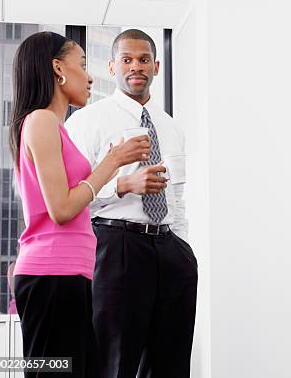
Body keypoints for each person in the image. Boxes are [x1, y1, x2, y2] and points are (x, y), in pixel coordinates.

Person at [9, 31, 151, 377]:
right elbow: (61, 208)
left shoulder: (55, 127)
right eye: (83, 65)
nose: (89, 76)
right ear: (58, 69)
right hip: (52, 275)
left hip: (70, 275)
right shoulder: (41, 120)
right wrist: (112, 162)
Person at [65, 29, 198, 378]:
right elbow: (69, 197)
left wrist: (183, 248)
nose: (135, 67)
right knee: (114, 361)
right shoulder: (86, 122)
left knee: (170, 362)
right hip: (116, 246)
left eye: (143, 60)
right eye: (126, 60)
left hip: (170, 249)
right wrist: (123, 185)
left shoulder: (170, 127)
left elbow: (177, 197)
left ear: (155, 66)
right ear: (112, 66)